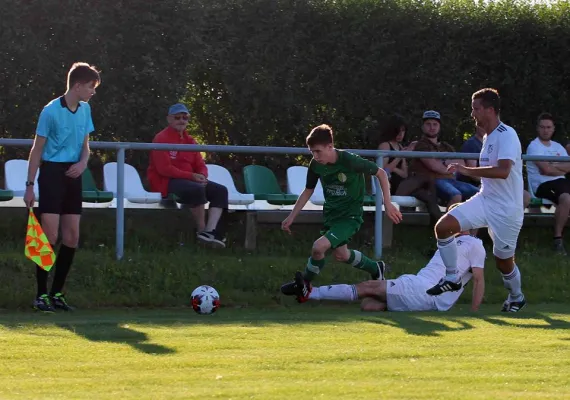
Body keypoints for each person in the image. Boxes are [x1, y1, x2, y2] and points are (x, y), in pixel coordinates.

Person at [426, 88, 526, 313]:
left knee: (503, 261)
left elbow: (503, 171)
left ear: (490, 110)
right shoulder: (488, 137)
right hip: (485, 200)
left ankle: (517, 297)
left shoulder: (507, 134)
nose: (473, 114)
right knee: (443, 227)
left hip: (507, 211)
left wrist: (467, 170)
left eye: (476, 109)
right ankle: (452, 277)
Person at [280, 124, 402, 296]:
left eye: (318, 151)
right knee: (342, 255)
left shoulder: (350, 161)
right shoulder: (316, 165)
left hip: (349, 217)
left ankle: (304, 284)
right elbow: (308, 190)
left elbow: (380, 173)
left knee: (318, 247)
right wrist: (291, 216)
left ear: (330, 146)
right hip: (332, 215)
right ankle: (376, 268)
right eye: (312, 152)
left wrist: (387, 204)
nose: (315, 156)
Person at [24, 62, 101, 313]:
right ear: (77, 86)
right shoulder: (50, 111)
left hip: (73, 174)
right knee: (50, 236)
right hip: (52, 174)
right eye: (91, 87)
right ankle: (40, 295)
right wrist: (29, 186)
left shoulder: (86, 110)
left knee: (72, 237)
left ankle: (57, 293)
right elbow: (37, 150)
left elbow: (85, 145)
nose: (93, 92)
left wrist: (82, 163)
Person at [287, 224, 485, 312]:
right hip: (422, 293)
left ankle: (310, 293)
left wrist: (474, 311)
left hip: (421, 290)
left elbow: (478, 278)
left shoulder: (473, 243)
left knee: (367, 286)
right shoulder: (447, 242)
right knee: (368, 305)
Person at [147, 103, 229, 248]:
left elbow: (200, 164)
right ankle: (201, 231)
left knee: (220, 191)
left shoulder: (190, 141)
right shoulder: (161, 138)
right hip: (166, 181)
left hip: (190, 180)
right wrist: (192, 176)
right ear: (169, 119)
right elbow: (164, 169)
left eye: (185, 117)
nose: (182, 120)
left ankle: (210, 232)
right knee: (195, 189)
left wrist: (202, 176)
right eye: (177, 117)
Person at [411, 110, 479, 209]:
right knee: (456, 195)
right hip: (433, 182)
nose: (432, 127)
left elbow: (461, 163)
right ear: (422, 126)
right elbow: (435, 166)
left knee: (479, 193)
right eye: (428, 124)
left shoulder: (446, 146)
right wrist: (448, 164)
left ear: (439, 127)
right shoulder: (421, 145)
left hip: (451, 180)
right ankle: (446, 224)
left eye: (435, 124)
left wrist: (443, 162)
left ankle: (472, 223)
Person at [526, 112, 570, 255]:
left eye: (548, 127)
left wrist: (553, 166)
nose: (545, 130)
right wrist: (558, 167)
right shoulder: (534, 147)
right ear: (538, 128)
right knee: (566, 198)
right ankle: (558, 239)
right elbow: (545, 170)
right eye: (542, 127)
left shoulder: (558, 147)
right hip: (543, 186)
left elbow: (568, 166)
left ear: (553, 129)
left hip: (561, 183)